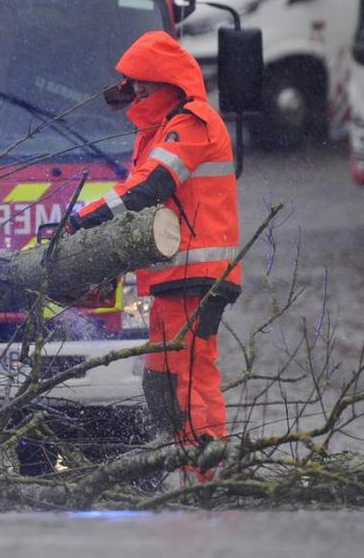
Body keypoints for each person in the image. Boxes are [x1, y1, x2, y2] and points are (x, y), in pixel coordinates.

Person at [67, 30, 240, 478]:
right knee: (162, 381)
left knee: (189, 376)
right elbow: (139, 189)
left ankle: (208, 477)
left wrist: (83, 220)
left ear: (169, 83)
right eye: (134, 85)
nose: (137, 93)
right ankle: (183, 467)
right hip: (173, 275)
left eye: (144, 85)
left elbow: (149, 187)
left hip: (197, 273)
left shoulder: (192, 122)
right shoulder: (162, 128)